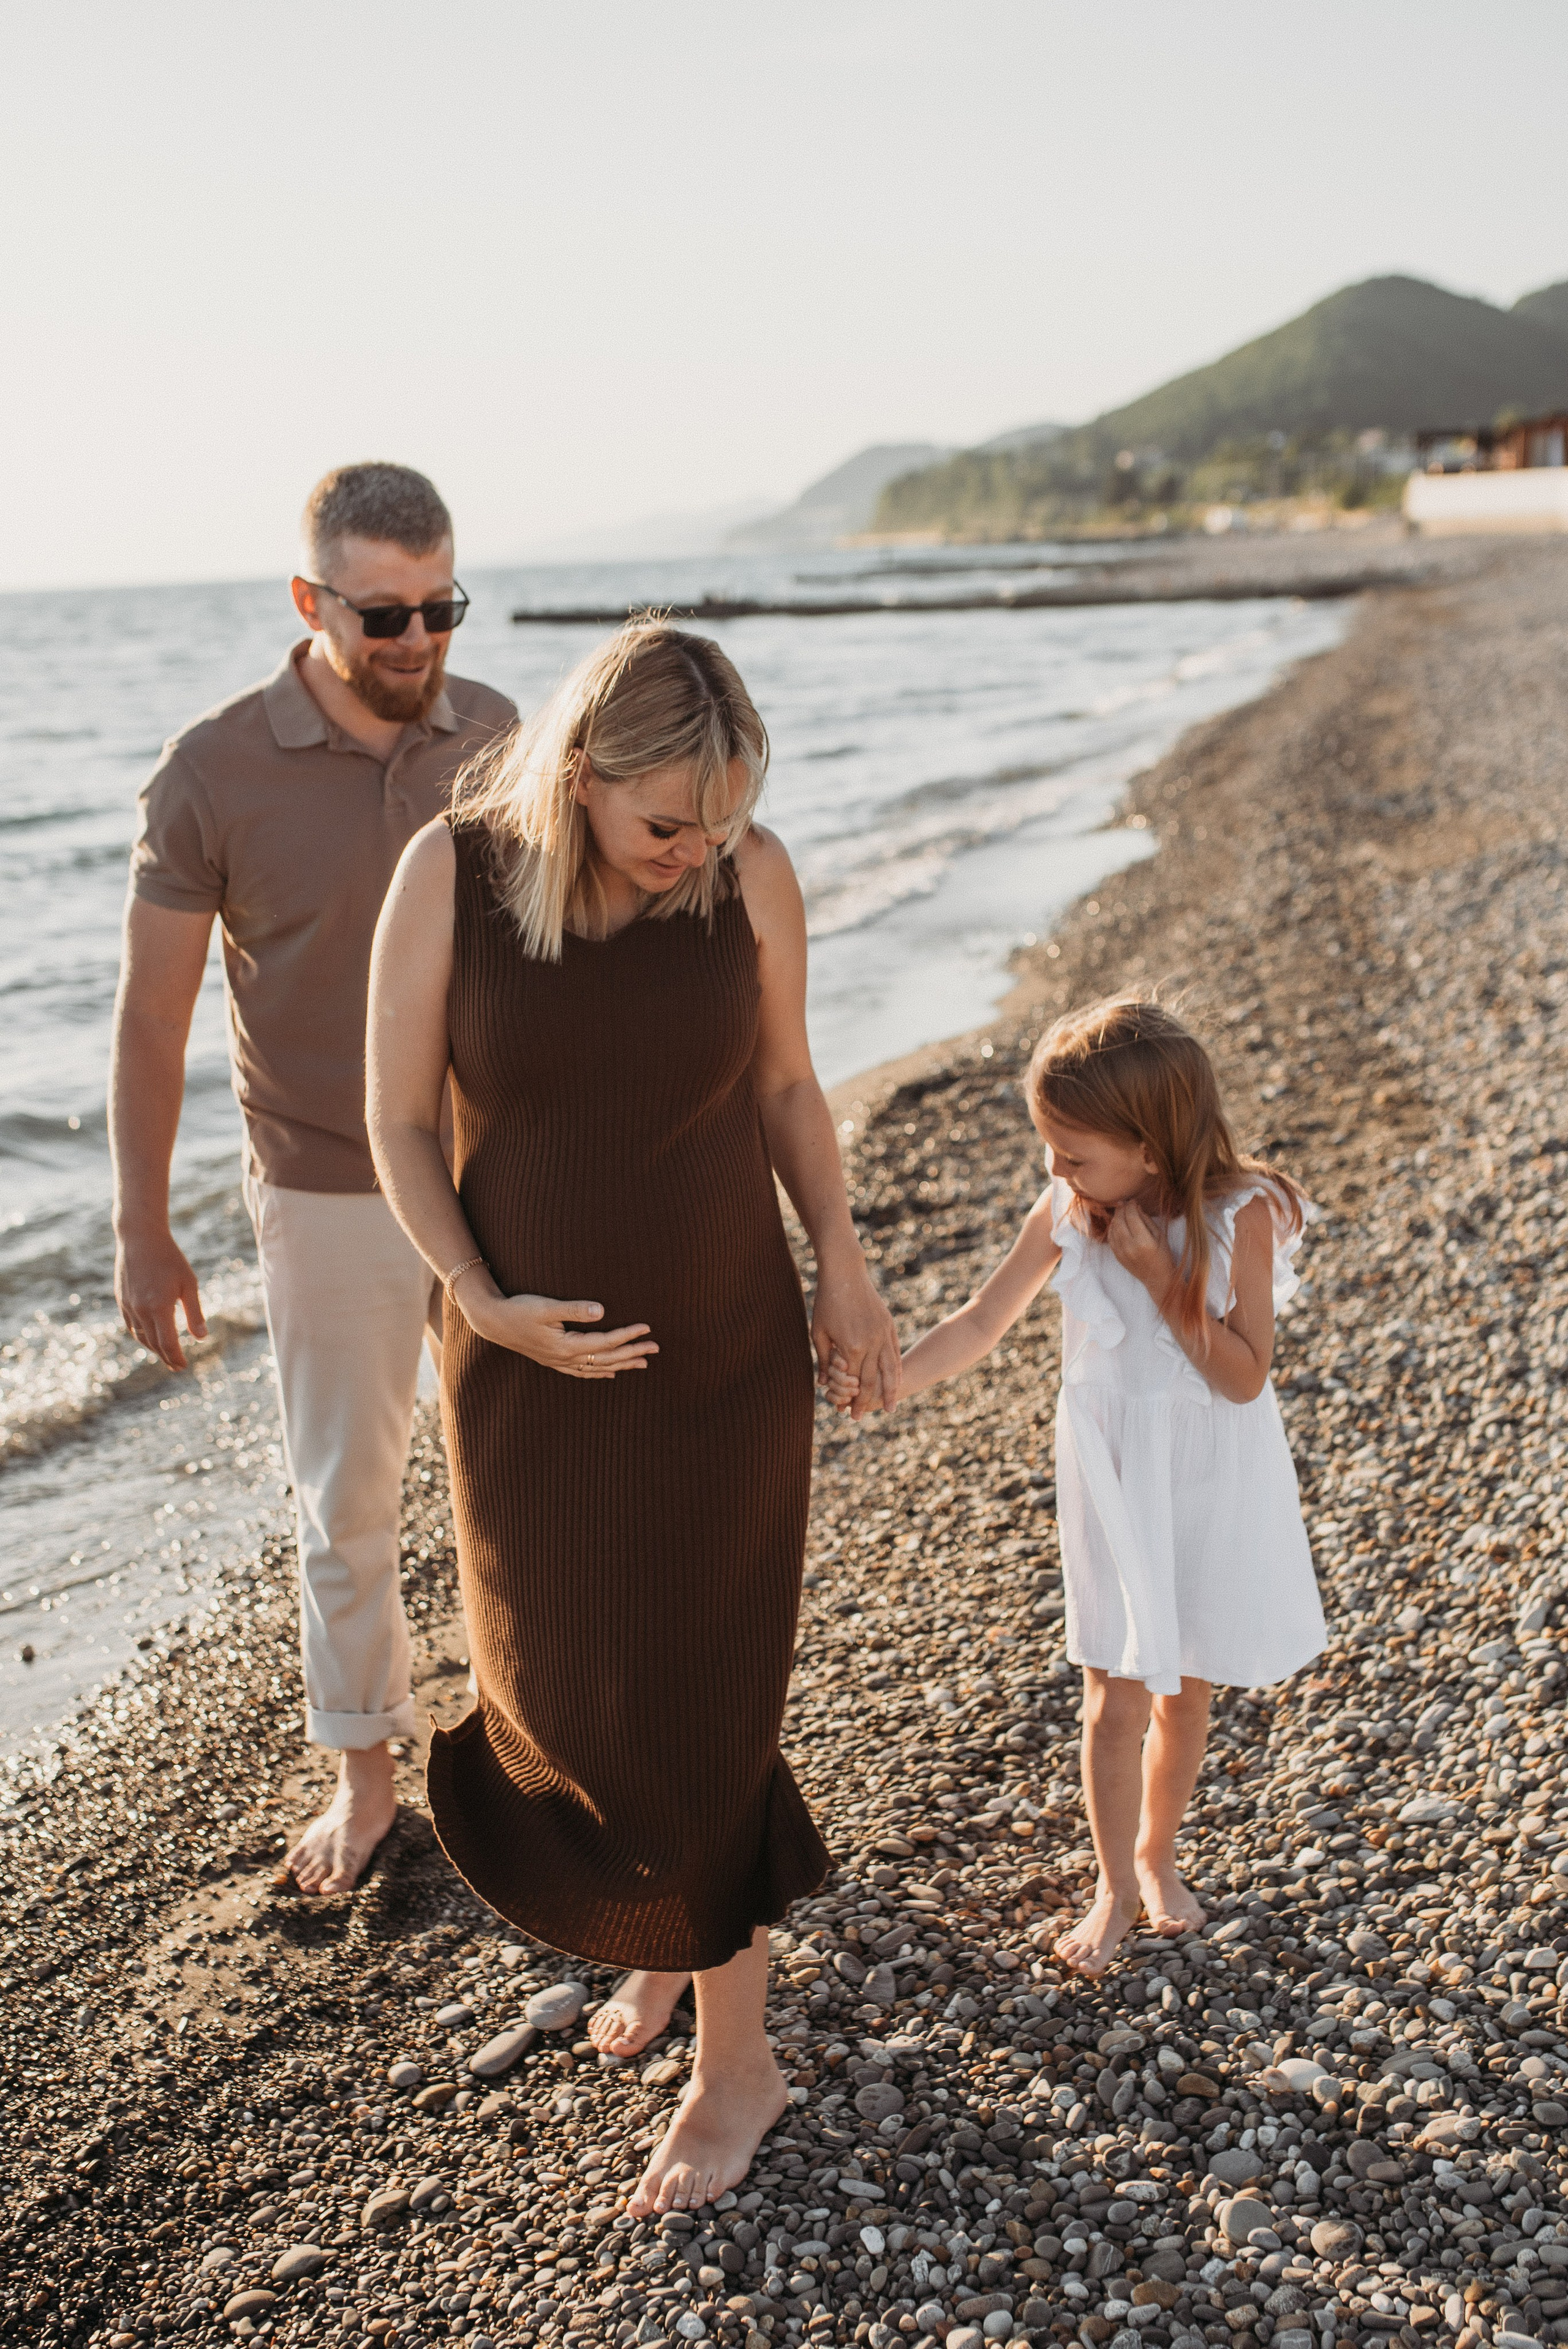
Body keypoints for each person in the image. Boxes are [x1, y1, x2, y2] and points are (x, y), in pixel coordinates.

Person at [365, 619, 900, 2214]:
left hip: (724, 1357)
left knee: (698, 1693)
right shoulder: (449, 878)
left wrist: (848, 1271)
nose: (699, 853)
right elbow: (392, 1122)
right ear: (580, 774)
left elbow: (791, 1090)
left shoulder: (752, 876)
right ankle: (660, 1945)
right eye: (670, 823)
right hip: (523, 1376)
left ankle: (741, 2056)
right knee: (565, 1688)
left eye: (726, 821)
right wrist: (477, 1294)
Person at [109, 462, 516, 1896]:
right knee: (347, 1498)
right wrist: (145, 1229)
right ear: (311, 600)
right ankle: (363, 1778)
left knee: (515, 1477)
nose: (417, 645)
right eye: (384, 615)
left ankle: (530, 1753)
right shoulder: (211, 771)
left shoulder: (500, 736)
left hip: (491, 1173)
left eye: (441, 609)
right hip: (327, 1186)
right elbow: (152, 1016)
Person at [885, 995, 1325, 1977]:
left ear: (1151, 1145)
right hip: (1113, 1472)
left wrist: (1167, 1282)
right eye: (1050, 1150)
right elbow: (979, 1323)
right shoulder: (1069, 1213)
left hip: (1208, 1475)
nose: (1056, 1172)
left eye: (1073, 1155)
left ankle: (1159, 1859)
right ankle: (1113, 1885)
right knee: (1113, 1697)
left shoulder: (1239, 1216)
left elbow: (1245, 1375)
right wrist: (889, 1379)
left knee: (1186, 1688)